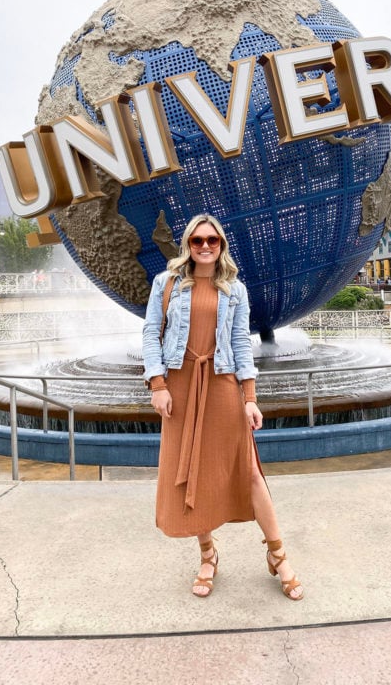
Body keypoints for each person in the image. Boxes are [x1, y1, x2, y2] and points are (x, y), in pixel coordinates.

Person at [142, 214, 303, 600]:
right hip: (180, 385)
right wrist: (158, 385)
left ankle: (278, 554)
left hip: (222, 383)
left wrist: (250, 397)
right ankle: (208, 555)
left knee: (249, 472)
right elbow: (150, 333)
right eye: (197, 240)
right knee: (192, 473)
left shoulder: (235, 289)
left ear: (221, 245)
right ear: (188, 244)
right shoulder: (166, 283)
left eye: (212, 240)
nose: (205, 246)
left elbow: (241, 342)